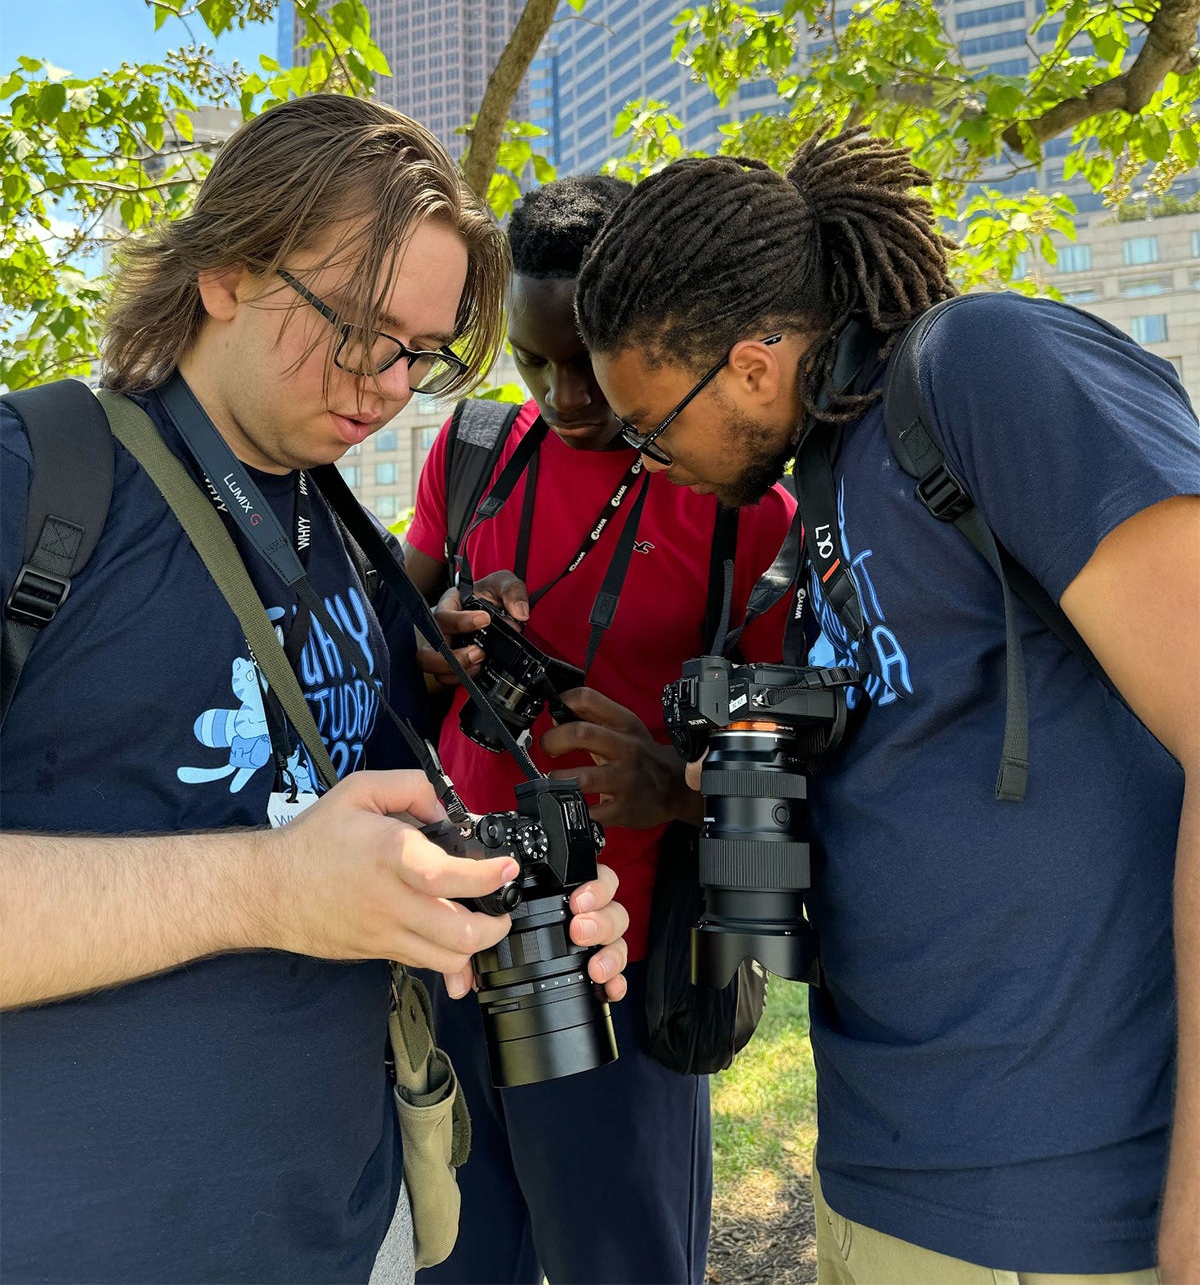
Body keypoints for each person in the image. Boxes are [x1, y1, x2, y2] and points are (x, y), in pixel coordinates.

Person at [0, 94, 629, 1285]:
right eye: (356, 328)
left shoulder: (342, 522)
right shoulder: (35, 483)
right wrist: (263, 891)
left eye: (422, 353)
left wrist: (501, 894)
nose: (388, 385)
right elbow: (282, 868)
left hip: (360, 1227)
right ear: (226, 267)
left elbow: (336, 819)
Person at [573, 127, 1200, 1285]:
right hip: (877, 1168)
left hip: (1059, 1197)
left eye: (652, 428)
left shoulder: (983, 364)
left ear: (753, 366)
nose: (646, 462)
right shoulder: (832, 479)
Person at [401, 174, 795, 1285]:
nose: (567, 394)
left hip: (616, 960)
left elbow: (790, 765)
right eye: (534, 359)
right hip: (451, 939)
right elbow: (392, 648)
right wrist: (440, 634)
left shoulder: (743, 501)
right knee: (453, 1257)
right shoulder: (474, 452)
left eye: (589, 358)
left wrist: (674, 786)